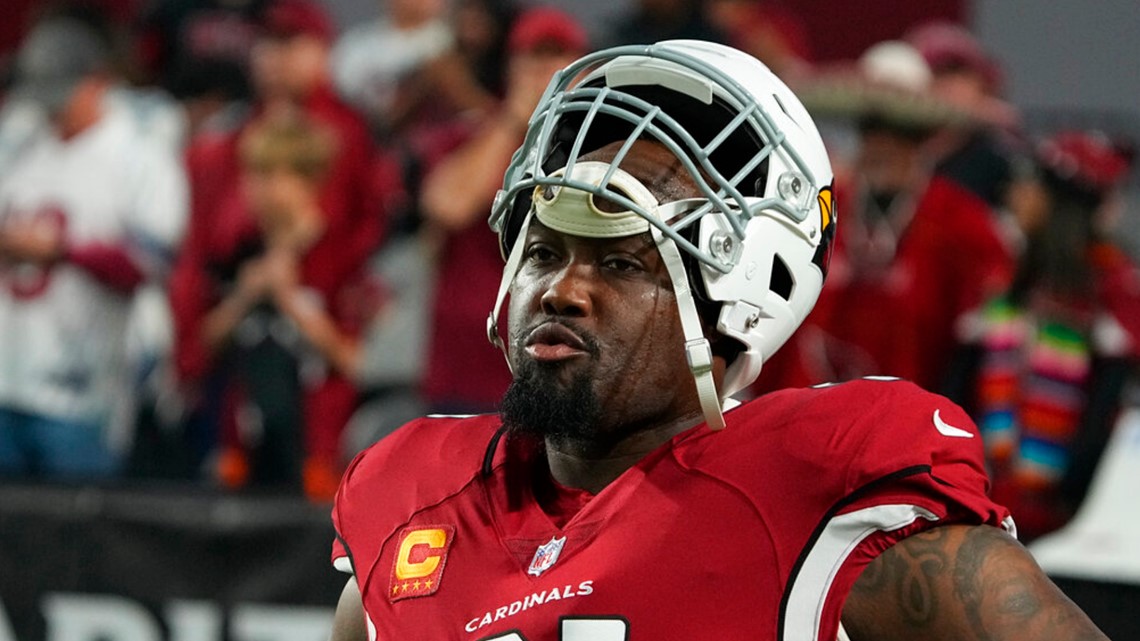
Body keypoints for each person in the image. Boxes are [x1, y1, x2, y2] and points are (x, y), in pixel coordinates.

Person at [327, 41, 1110, 641]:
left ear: (738, 302)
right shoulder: (411, 496)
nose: (561, 289)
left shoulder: (817, 490)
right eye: (543, 251)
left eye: (623, 260)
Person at [0, 15, 188, 479]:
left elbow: (152, 263)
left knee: (76, 535)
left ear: (98, 81)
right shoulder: (19, 143)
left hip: (81, 389)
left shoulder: (136, 155)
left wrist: (63, 251)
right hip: (6, 379)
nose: (52, 108)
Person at [945, 130, 1140, 542]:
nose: (1016, 193)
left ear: (1060, 203)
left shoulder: (1113, 286)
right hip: (983, 500)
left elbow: (1111, 406)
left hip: (1071, 521)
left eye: (1030, 183)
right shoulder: (1006, 277)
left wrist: (1074, 484)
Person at [415, 6, 588, 415]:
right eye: (532, 56)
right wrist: (515, 119)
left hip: (557, 361)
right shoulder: (469, 134)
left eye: (557, 56)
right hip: (469, 365)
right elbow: (448, 206)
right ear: (510, 67)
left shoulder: (600, 150)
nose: (544, 70)